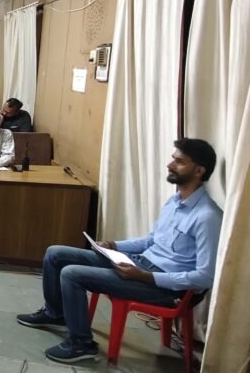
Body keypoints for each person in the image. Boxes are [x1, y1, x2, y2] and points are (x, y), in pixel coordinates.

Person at [17, 139, 221, 364]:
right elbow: (151, 240)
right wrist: (114, 246)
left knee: (71, 274)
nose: (170, 165)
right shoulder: (174, 201)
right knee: (55, 253)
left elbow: (204, 277)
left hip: (164, 288)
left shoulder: (207, 216)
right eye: (173, 159)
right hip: (139, 266)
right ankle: (55, 313)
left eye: (179, 162)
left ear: (199, 171)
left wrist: (146, 276)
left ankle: (82, 344)